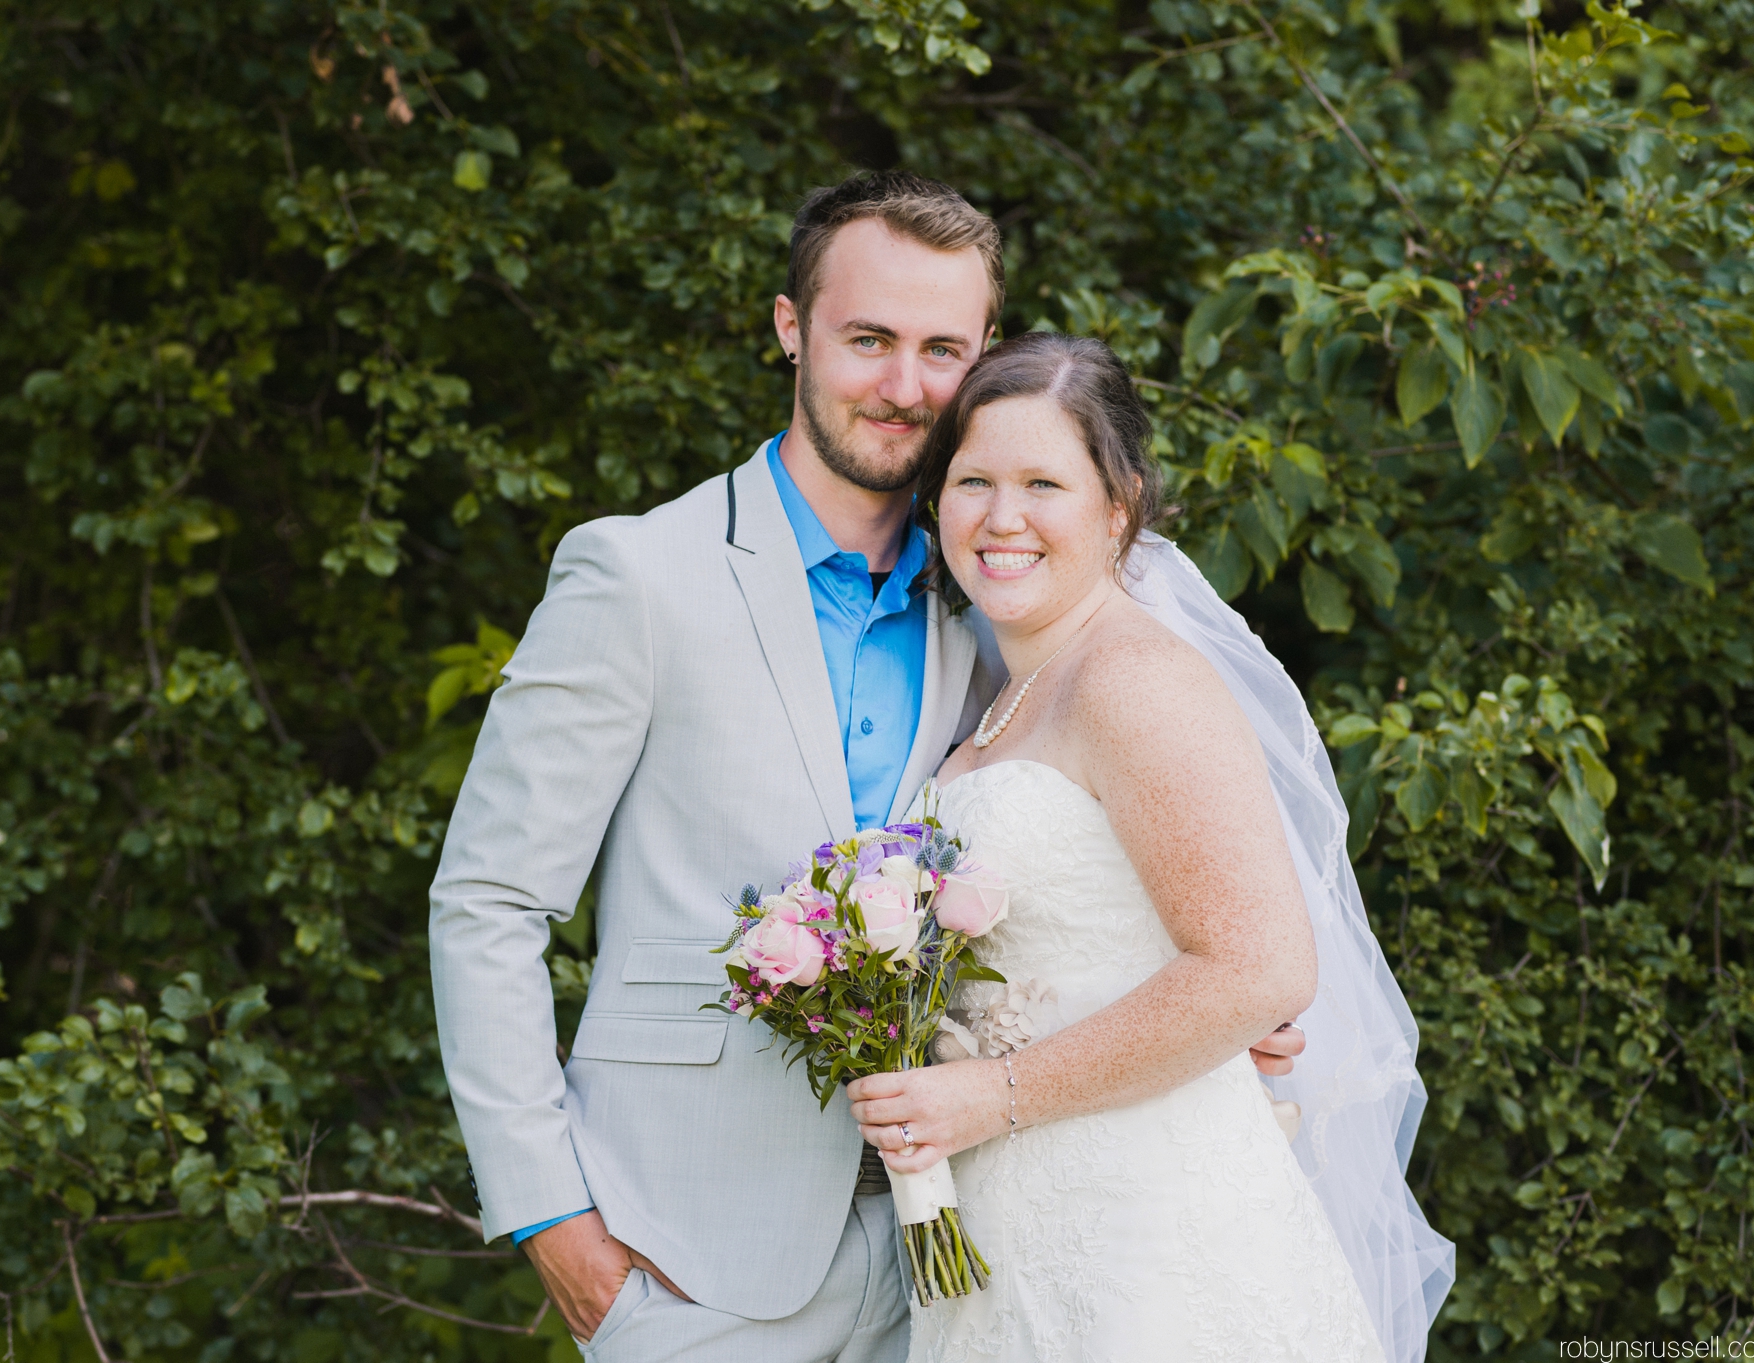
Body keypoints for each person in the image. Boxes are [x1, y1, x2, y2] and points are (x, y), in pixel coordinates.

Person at [427, 172, 1308, 1360]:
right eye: (867, 340)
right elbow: (488, 902)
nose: (904, 386)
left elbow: (1083, 857)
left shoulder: (996, 604)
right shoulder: (637, 578)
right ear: (791, 329)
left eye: (941, 347)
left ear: (982, 353)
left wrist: (1190, 1008)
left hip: (960, 1248)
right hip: (687, 1252)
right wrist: (553, 1220)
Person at [844, 331, 1455, 1362]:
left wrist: (986, 1095)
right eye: (972, 480)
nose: (1000, 517)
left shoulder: (1131, 677)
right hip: (1010, 1232)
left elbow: (1260, 966)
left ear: (1116, 504)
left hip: (1142, 1235)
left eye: (1043, 482)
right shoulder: (1001, 700)